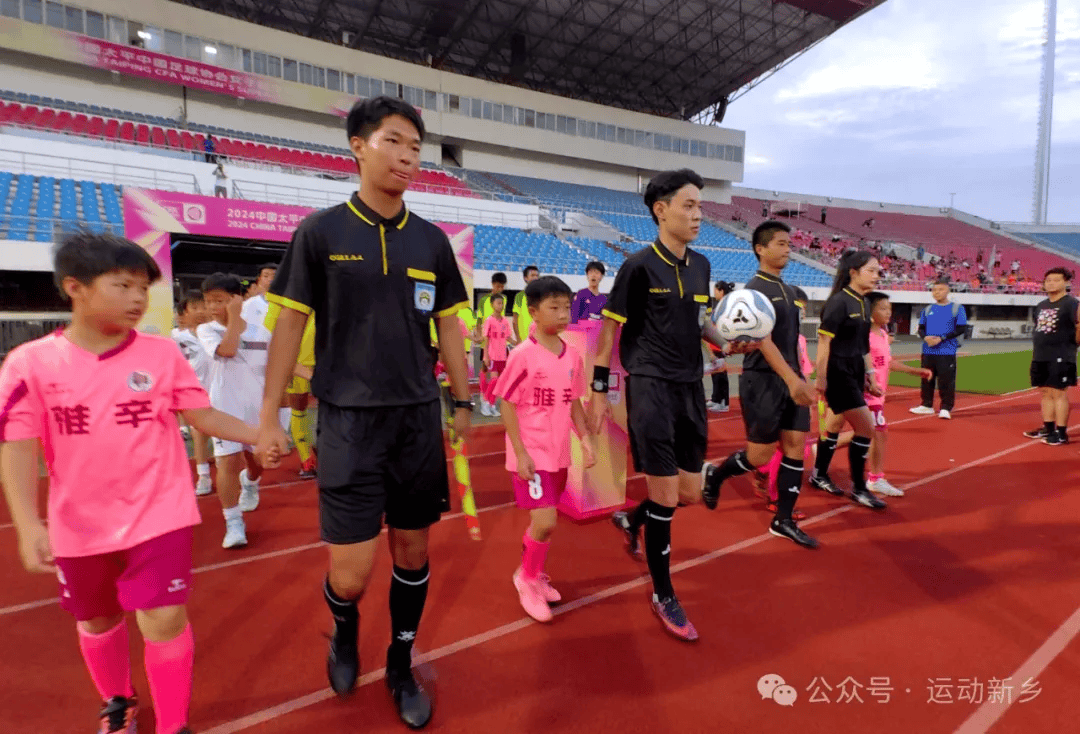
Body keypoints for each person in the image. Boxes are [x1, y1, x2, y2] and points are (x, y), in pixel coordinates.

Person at [255, 96, 471, 730]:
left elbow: (452, 331)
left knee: (411, 553)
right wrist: (269, 416)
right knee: (350, 573)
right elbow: (289, 329)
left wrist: (461, 401)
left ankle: (401, 662)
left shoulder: (432, 241)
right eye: (395, 142)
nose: (407, 158)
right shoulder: (320, 232)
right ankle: (344, 629)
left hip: (415, 421)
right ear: (358, 145)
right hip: (347, 421)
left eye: (416, 149)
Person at [0, 232, 265, 734]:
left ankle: (172, 724)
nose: (138, 299)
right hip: (79, 524)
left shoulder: (161, 354)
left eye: (143, 287)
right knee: (98, 621)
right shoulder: (29, 364)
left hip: (159, 512)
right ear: (74, 288)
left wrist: (259, 433)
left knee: (164, 619)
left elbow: (201, 414)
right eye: (123, 286)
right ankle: (118, 700)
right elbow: (15, 444)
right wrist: (28, 523)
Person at [590, 169, 740, 641]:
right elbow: (608, 333)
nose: (698, 215)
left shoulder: (701, 266)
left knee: (688, 494)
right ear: (661, 210)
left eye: (700, 207)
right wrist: (598, 391)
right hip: (651, 387)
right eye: (689, 206)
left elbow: (697, 322)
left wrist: (726, 343)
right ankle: (663, 593)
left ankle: (630, 521)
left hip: (690, 386)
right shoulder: (637, 266)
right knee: (666, 496)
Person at [698, 221, 819, 548]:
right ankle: (716, 475)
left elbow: (791, 341)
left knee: (796, 447)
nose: (787, 249)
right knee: (759, 454)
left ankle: (783, 518)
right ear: (760, 249)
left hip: (791, 378)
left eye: (789, 244)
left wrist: (801, 376)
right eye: (780, 243)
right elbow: (763, 341)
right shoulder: (752, 291)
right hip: (764, 381)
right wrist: (792, 379)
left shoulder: (790, 291)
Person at [494, 276, 595, 622]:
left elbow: (575, 402)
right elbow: (506, 402)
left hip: (559, 454)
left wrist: (585, 438)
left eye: (567, 306)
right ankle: (526, 578)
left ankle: (533, 574)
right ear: (534, 312)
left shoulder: (572, 356)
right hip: (532, 453)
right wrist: (520, 452)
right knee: (546, 519)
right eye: (555, 307)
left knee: (546, 525)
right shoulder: (523, 355)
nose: (563, 314)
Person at [809, 250, 887, 510]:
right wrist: (820, 377)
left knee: (832, 426)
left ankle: (818, 474)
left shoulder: (864, 303)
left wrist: (870, 376)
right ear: (853, 272)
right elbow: (824, 341)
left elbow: (862, 345)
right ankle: (860, 488)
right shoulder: (839, 302)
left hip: (854, 372)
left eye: (878, 271)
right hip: (837, 372)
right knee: (866, 428)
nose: (877, 276)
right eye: (872, 271)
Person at [197, 273, 269, 549]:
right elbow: (227, 350)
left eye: (220, 301)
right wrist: (235, 320)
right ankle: (233, 521)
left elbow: (275, 362)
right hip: (223, 409)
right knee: (227, 462)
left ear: (237, 299)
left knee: (257, 462)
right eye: (209, 301)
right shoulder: (207, 330)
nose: (213, 307)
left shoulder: (261, 329)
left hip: (257, 409)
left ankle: (250, 482)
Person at [1023, 267, 1080, 445]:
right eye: (1048, 280)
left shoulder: (1072, 304)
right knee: (1045, 392)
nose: (1051, 283)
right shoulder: (1041, 305)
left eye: (1056, 280)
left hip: (1061, 355)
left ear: (1066, 283)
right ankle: (1048, 430)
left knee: (1058, 393)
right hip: (1040, 355)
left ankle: (1062, 434)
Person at [265, 302, 318, 477]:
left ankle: (324, 449)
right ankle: (306, 459)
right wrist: (286, 363)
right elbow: (269, 333)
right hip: (298, 363)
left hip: (332, 360)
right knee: (299, 407)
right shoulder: (284, 298)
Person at [172, 290, 214, 496]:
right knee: (200, 435)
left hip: (221, 390)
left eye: (203, 306)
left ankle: (244, 475)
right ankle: (204, 474)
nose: (200, 311)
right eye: (194, 308)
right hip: (197, 393)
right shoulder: (177, 337)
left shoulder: (216, 331)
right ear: (184, 313)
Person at [909, 278, 967, 420]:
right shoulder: (928, 309)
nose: (936, 292)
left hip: (946, 351)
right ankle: (927, 405)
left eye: (940, 289)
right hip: (928, 350)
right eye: (934, 290)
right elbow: (921, 328)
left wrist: (941, 338)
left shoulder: (957, 308)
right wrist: (926, 338)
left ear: (947, 290)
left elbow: (961, 328)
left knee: (946, 380)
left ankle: (946, 407)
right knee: (926, 378)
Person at [479, 293, 515, 417]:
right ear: (492, 304)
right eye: (498, 303)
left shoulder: (505, 321)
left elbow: (508, 337)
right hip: (492, 355)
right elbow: (486, 340)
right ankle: (486, 403)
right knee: (494, 380)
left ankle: (492, 404)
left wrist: (518, 343)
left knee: (499, 383)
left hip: (502, 356)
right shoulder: (489, 320)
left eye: (502, 303)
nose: (501, 306)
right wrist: (486, 356)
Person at [706, 280, 733, 412]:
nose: (714, 293)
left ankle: (724, 402)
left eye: (716, 290)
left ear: (721, 291)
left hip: (719, 345)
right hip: (714, 344)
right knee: (715, 373)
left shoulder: (725, 306)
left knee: (720, 373)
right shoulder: (720, 305)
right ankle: (716, 398)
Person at [514, 265, 540, 340]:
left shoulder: (542, 295)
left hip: (539, 340)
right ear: (526, 278)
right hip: (524, 340)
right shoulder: (519, 296)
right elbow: (515, 320)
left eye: (536, 275)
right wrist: (518, 338)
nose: (535, 278)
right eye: (532, 275)